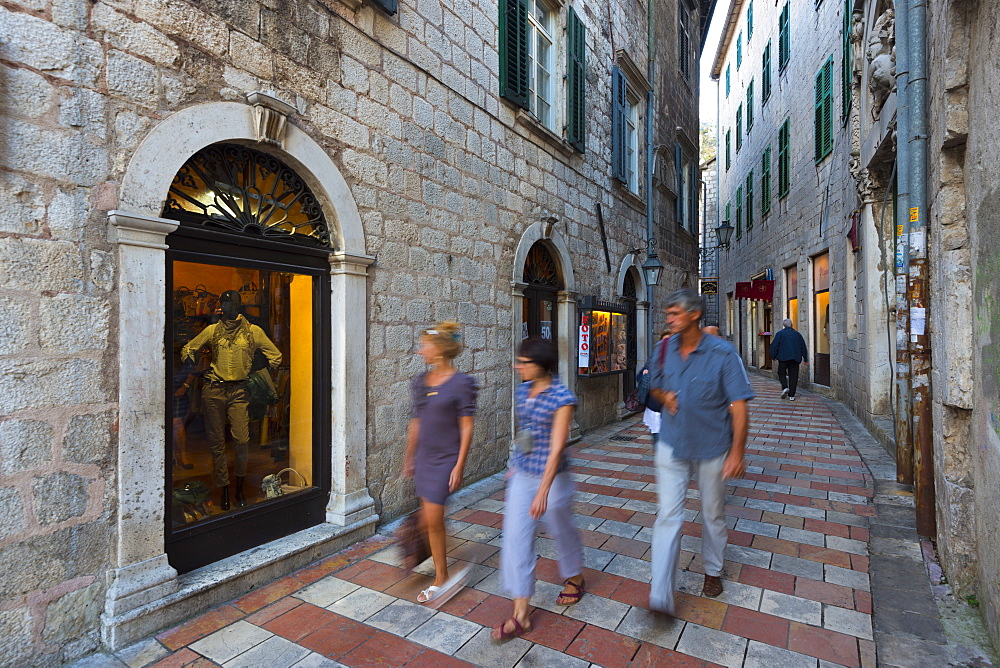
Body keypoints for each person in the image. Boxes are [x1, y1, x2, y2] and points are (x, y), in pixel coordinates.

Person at [648, 288, 754, 613]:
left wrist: (737, 452)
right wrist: (664, 397)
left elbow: (738, 406)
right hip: (671, 443)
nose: (669, 319)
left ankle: (713, 570)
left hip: (712, 447)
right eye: (668, 314)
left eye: (675, 313)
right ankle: (661, 595)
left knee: (712, 514)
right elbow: (652, 385)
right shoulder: (663, 349)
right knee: (667, 516)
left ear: (694, 315)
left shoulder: (723, 354)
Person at [493, 337, 583, 641]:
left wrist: (543, 490)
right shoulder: (522, 390)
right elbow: (527, 431)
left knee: (561, 528)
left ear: (541, 365)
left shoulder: (562, 397)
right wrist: (516, 464)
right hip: (524, 473)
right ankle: (521, 614)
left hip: (554, 478)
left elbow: (558, 446)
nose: (518, 366)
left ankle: (575, 575)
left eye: (524, 363)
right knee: (516, 537)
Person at [181, 290, 281, 510]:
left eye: (233, 303)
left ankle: (239, 488)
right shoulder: (212, 330)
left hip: (239, 390)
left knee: (242, 440)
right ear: (221, 306)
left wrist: (258, 372)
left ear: (239, 305)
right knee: (217, 443)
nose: (228, 307)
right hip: (214, 389)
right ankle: (224, 487)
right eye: (225, 303)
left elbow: (275, 356)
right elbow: (187, 349)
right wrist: (197, 359)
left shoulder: (253, 332)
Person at [403, 322, 478, 605]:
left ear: (440, 350)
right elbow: (416, 422)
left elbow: (467, 427)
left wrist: (459, 465)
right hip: (424, 458)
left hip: (446, 459)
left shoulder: (463, 384)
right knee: (430, 520)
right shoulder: (420, 382)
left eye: (426, 346)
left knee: (432, 518)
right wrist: (409, 457)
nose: (421, 350)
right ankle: (443, 557)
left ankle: (441, 577)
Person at [637, 330, 670, 443]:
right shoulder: (654, 359)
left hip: (672, 410)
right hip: (655, 407)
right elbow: (640, 376)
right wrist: (645, 375)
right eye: (664, 341)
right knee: (658, 440)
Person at [769, 319, 809, 401]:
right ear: (792, 324)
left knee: (781, 373)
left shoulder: (780, 334)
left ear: (784, 326)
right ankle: (792, 395)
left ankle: (785, 387)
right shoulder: (797, 334)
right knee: (793, 376)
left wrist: (773, 356)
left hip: (783, 358)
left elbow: (774, 346)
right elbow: (803, 347)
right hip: (795, 358)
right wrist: (805, 358)